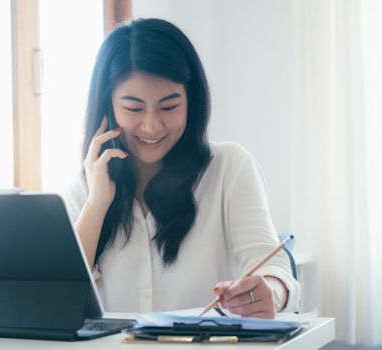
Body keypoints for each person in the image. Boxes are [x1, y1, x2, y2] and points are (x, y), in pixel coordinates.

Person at [64, 18, 300, 318]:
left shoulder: (228, 167)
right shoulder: (86, 186)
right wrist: (97, 204)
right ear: (107, 107)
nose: (151, 125)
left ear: (192, 101)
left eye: (169, 107)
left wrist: (271, 293)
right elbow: (62, 300)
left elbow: (273, 269)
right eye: (134, 108)